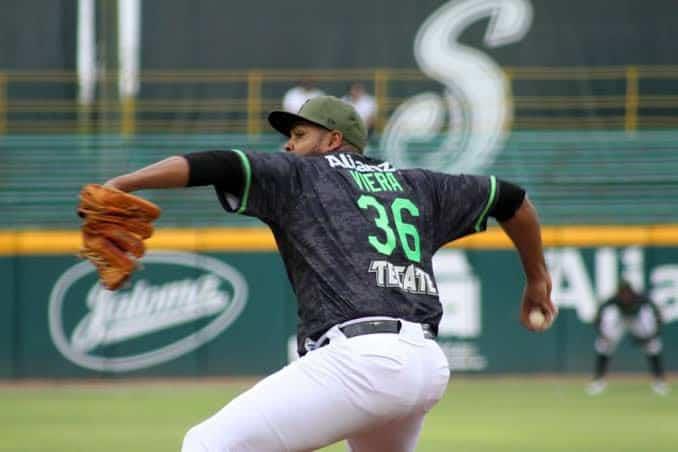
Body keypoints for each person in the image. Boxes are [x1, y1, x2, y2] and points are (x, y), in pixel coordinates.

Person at [103, 95, 556, 451]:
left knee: (206, 444)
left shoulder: (302, 175)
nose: (288, 145)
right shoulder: (420, 184)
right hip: (424, 365)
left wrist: (123, 184)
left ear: (333, 140)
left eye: (299, 134)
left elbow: (217, 164)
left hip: (362, 362)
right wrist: (537, 279)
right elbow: (511, 198)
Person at [587, 281, 669, 396]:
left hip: (638, 319)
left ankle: (659, 381)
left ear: (632, 292)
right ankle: (598, 381)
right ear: (619, 293)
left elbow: (658, 316)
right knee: (603, 345)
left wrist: (650, 336)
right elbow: (598, 316)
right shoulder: (614, 299)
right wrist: (603, 334)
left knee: (653, 346)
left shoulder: (641, 299)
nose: (625, 296)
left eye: (627, 293)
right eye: (622, 293)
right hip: (620, 318)